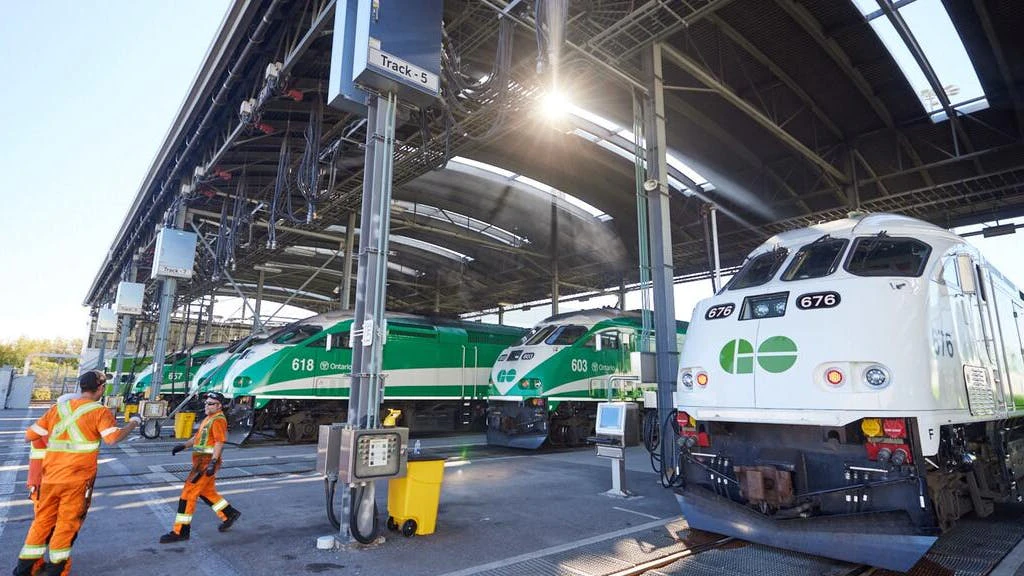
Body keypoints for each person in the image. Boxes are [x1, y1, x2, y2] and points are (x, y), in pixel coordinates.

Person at [13, 370, 141, 576]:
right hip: (77, 481)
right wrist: (134, 423)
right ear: (100, 388)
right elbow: (113, 439)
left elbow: (29, 435)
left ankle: (23, 570)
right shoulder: (100, 412)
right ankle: (56, 569)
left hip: (50, 479)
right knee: (66, 524)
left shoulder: (57, 409)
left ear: (81, 387)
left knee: (42, 522)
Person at [159, 391, 241, 543]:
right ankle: (229, 514)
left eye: (211, 404)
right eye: (206, 403)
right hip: (200, 462)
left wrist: (213, 463)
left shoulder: (218, 420)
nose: (207, 406)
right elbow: (198, 438)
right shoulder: (209, 418)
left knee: (188, 494)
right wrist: (183, 446)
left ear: (219, 406)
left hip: (205, 463)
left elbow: (219, 442)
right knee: (207, 492)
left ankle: (181, 531)